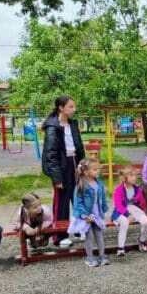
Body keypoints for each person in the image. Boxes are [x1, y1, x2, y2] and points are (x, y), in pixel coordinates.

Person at [41, 95, 85, 247]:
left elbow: (79, 146)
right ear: (61, 107)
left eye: (74, 106)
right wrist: (56, 178)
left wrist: (83, 166)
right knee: (62, 201)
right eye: (71, 106)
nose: (74, 109)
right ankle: (60, 236)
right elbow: (50, 154)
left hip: (75, 163)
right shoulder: (53, 127)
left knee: (79, 197)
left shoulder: (73, 124)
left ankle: (80, 228)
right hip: (62, 166)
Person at [68, 158, 109, 267]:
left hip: (97, 214)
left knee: (99, 234)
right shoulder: (81, 185)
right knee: (89, 235)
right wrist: (85, 215)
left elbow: (102, 196)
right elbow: (77, 202)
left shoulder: (98, 183)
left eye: (98, 169)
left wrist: (104, 208)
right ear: (86, 172)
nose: (98, 171)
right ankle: (89, 257)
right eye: (95, 169)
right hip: (85, 215)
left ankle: (102, 255)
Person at [111, 166, 147, 256]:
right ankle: (120, 248)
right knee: (124, 222)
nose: (134, 177)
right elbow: (118, 205)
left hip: (135, 210)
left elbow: (142, 203)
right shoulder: (119, 190)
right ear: (124, 178)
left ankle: (142, 240)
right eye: (131, 175)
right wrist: (127, 214)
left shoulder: (137, 189)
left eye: (135, 175)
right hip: (121, 212)